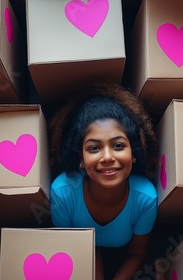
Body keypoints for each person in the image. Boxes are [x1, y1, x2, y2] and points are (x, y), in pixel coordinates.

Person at [49, 82, 158, 279]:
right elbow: (74, 248)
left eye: (118, 145)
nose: (107, 157)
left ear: (133, 153)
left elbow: (136, 253)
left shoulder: (146, 198)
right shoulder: (62, 193)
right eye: (94, 148)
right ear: (80, 159)